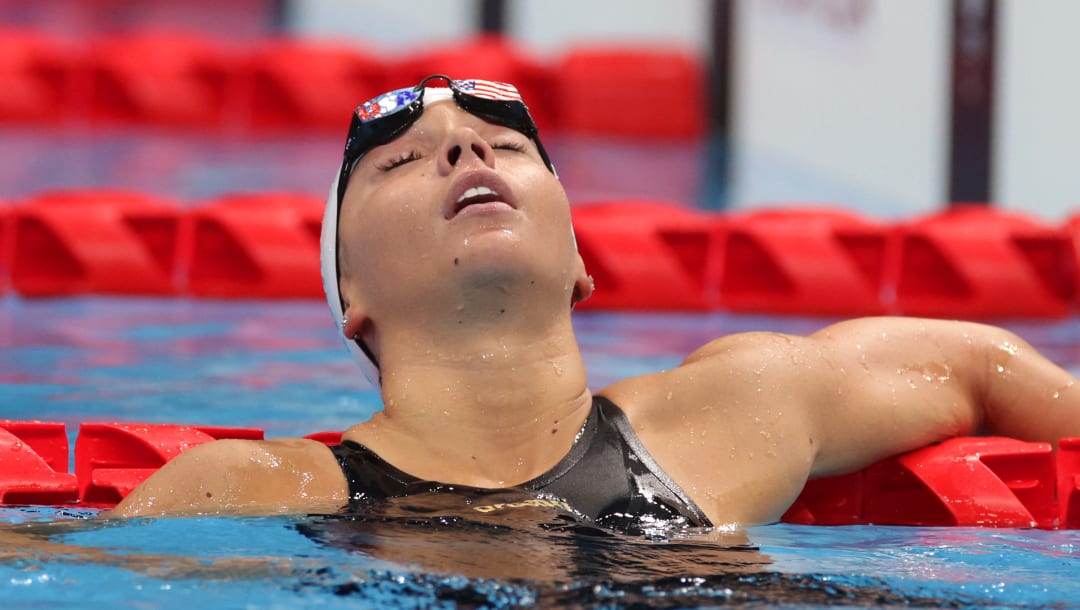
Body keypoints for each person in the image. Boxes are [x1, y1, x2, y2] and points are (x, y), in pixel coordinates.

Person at [112, 75, 1080, 530]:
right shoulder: (251, 488)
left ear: (578, 258)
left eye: (509, 147)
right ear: (348, 294)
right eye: (403, 162)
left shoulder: (738, 406)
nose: (468, 151)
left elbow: (970, 364)